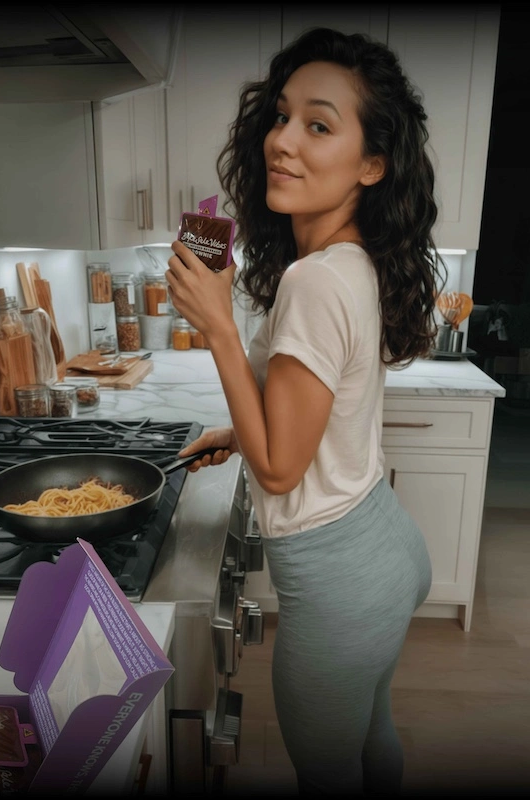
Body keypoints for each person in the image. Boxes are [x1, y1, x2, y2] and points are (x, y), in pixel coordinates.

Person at [165, 27, 441, 796]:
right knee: (371, 739)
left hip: (340, 585)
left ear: (372, 164)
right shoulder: (345, 262)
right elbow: (315, 424)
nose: (283, 141)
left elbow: (284, 469)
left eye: (319, 125)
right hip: (386, 546)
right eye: (280, 118)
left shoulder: (316, 282)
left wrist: (216, 323)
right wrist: (237, 432)